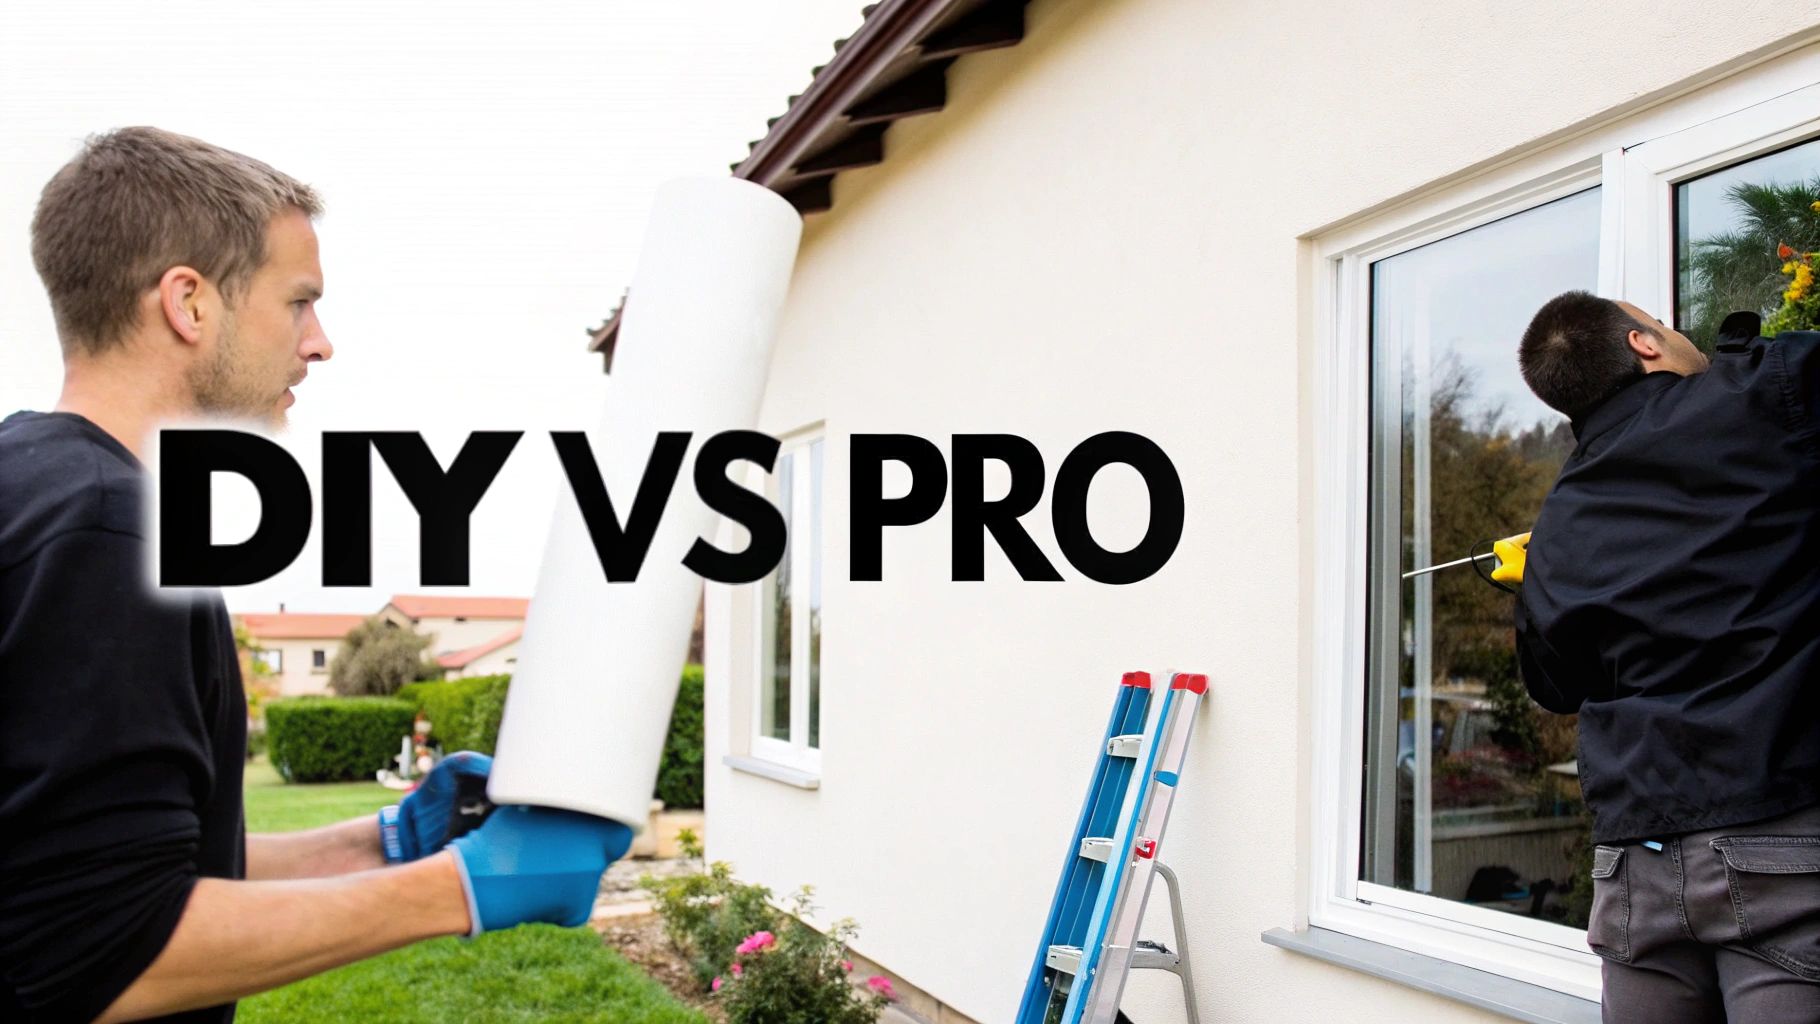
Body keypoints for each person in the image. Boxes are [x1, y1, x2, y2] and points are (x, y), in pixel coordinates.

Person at [0, 127, 631, 1023]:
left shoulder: (35, 484)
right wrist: (463, 890)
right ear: (189, 303)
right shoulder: (110, 531)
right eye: (297, 302)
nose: (321, 343)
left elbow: (99, 865)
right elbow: (101, 949)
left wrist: (386, 843)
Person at [1514, 290, 1820, 1022]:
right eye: (1664, 323)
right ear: (1645, 344)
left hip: (1635, 865)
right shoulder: (1762, 398)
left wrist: (1535, 582)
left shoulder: (1560, 517)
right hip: (1772, 839)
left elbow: (1553, 684)